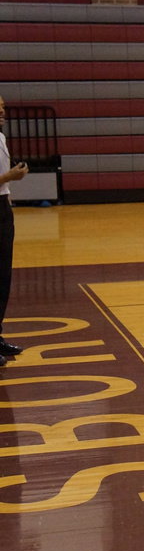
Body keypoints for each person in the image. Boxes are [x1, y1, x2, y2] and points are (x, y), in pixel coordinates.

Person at [0, 95, 28, 366]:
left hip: (2, 209)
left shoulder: (1, 137)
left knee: (3, 277)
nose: (2, 113)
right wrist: (9, 177)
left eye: (3, 108)